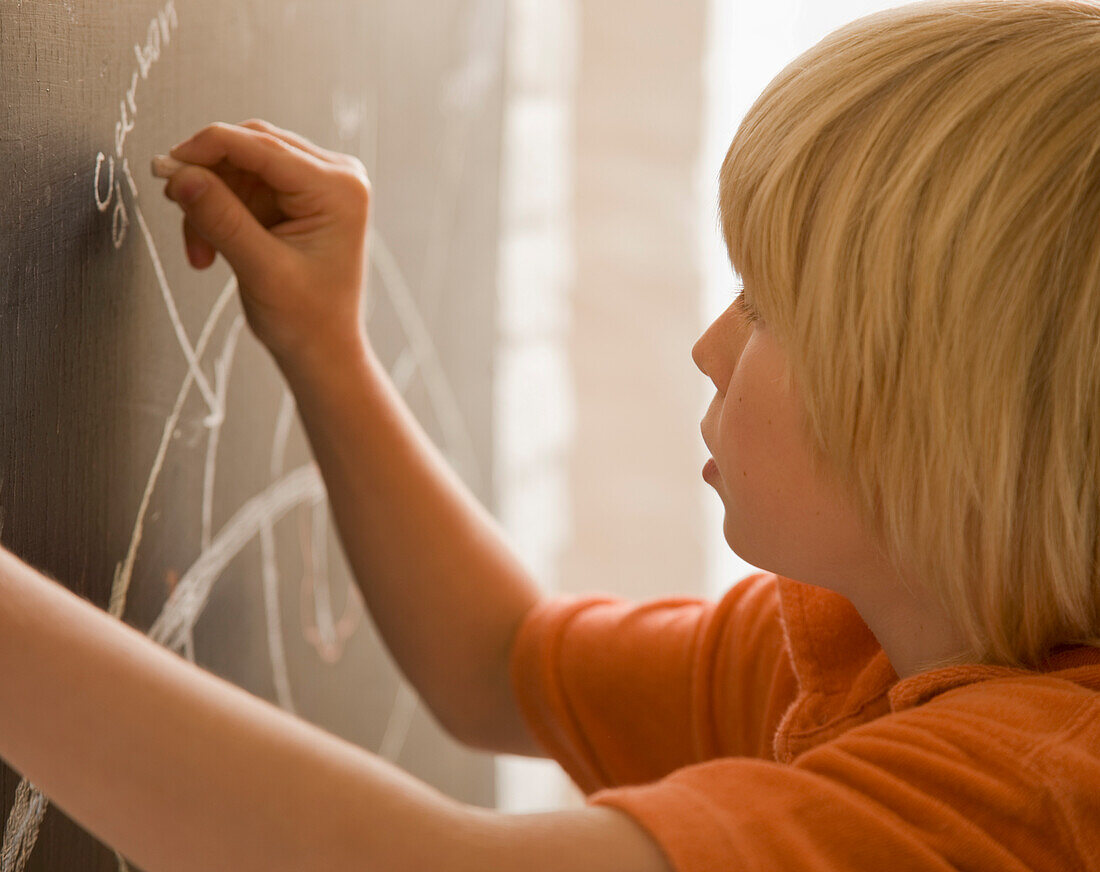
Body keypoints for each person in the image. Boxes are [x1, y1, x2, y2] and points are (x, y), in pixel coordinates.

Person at [1, 0, 1099, 868]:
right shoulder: (851, 642)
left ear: (950, 414)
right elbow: (498, 659)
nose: (708, 345)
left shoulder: (1038, 794)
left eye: (767, 306)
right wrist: (324, 346)